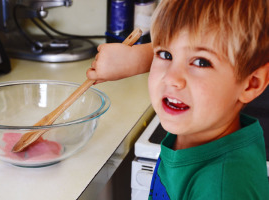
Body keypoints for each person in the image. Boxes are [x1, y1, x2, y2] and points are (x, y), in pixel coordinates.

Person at [87, 0, 269, 199]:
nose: (172, 78)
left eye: (201, 62)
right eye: (165, 54)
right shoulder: (196, 131)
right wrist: (135, 57)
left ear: (251, 84)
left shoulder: (221, 189)